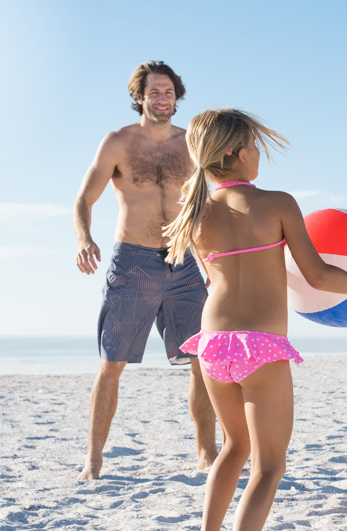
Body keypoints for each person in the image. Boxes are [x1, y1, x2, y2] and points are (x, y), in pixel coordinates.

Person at [163, 108, 347, 531]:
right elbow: (318, 273)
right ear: (237, 152)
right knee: (268, 468)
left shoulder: (194, 214)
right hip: (260, 345)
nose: (258, 154)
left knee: (233, 448)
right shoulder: (277, 203)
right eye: (255, 146)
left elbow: (221, 278)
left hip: (212, 343)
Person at [73, 61, 217, 481]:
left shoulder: (192, 143)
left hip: (183, 262)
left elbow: (206, 206)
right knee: (111, 362)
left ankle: (207, 454)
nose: (162, 98)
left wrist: (209, 258)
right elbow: (84, 198)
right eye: (153, 91)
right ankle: (94, 460)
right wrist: (84, 238)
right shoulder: (118, 142)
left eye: (168, 91)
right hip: (132, 261)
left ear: (177, 95)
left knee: (201, 361)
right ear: (139, 96)